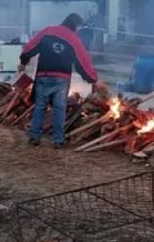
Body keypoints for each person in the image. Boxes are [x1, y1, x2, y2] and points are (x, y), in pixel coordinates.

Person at [20, 13, 106, 148]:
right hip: (62, 79)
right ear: (75, 25)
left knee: (40, 107)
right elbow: (83, 62)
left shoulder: (47, 31)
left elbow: (30, 47)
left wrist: (23, 61)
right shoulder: (74, 39)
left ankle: (34, 137)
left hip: (43, 75)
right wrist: (94, 79)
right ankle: (58, 141)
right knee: (60, 109)